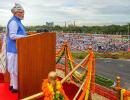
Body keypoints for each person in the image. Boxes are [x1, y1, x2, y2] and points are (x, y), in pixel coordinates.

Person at [6, 3, 27, 93]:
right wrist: (25, 37)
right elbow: (12, 36)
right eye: (21, 12)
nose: (23, 14)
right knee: (14, 69)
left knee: (13, 69)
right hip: (13, 49)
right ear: (15, 13)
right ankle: (15, 87)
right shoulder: (14, 22)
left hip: (15, 49)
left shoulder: (17, 21)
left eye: (23, 12)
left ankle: (12, 85)